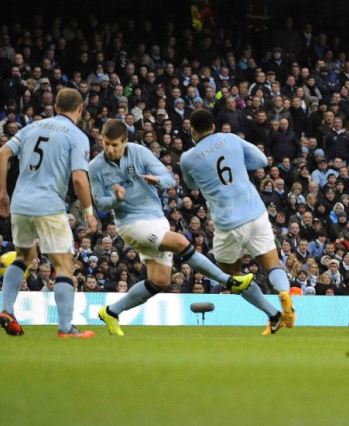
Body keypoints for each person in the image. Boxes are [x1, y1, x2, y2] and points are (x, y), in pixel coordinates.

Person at [90, 119, 254, 336]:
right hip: (130, 223)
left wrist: (156, 180)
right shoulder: (95, 167)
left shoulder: (140, 153)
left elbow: (170, 179)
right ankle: (230, 282)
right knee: (181, 242)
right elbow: (100, 202)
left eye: (115, 145)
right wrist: (116, 199)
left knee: (160, 280)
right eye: (106, 144)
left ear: (125, 142)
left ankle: (111, 312)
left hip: (156, 218)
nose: (110, 149)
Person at [179, 109, 295, 335]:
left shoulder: (187, 158)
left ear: (192, 130)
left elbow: (192, 186)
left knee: (232, 276)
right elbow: (261, 160)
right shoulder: (231, 139)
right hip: (256, 213)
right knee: (272, 264)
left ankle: (273, 314)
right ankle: (285, 294)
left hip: (227, 223)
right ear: (213, 126)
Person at [0, 88, 98, 338]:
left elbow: (1, 154)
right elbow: (79, 180)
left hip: (20, 202)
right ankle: (66, 328)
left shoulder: (32, 127)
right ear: (80, 109)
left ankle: (7, 309)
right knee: (64, 265)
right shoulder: (77, 136)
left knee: (24, 256)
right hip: (49, 205)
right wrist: (89, 213)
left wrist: (1, 193)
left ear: (57, 106)